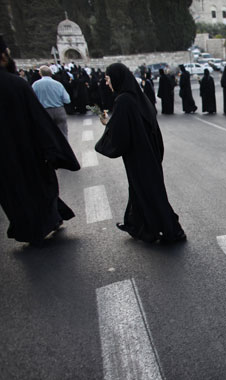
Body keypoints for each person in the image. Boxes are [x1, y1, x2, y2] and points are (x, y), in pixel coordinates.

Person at [0, 35, 80, 245]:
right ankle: (47, 222)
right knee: (38, 187)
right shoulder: (15, 85)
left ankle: (27, 229)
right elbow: (38, 122)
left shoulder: (29, 84)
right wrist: (54, 152)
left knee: (14, 194)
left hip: (5, 160)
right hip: (27, 152)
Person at [95, 63, 186, 243]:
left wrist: (107, 125)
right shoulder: (137, 97)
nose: (107, 83)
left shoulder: (123, 101)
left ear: (117, 78)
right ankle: (136, 224)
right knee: (142, 191)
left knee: (149, 192)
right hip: (149, 154)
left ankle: (171, 230)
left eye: (107, 79)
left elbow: (121, 133)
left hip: (138, 157)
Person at [32, 65, 71, 138]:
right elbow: (67, 100)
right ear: (51, 74)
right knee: (63, 133)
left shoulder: (35, 85)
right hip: (59, 110)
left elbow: (32, 100)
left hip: (44, 111)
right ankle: (64, 147)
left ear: (40, 74)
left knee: (48, 134)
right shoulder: (58, 84)